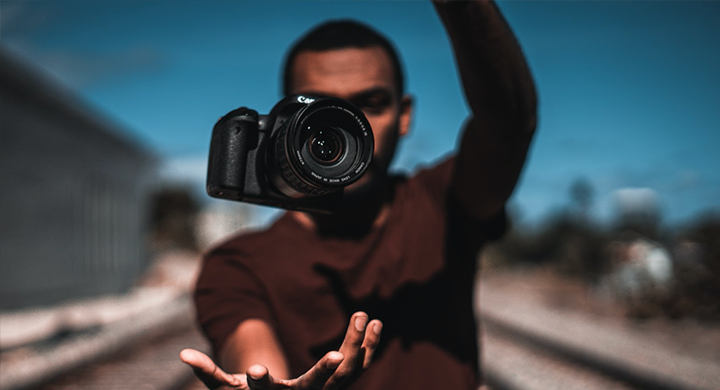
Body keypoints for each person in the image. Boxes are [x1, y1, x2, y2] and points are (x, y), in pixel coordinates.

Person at [180, 0, 537, 389]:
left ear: (404, 116)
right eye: (321, 109)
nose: (346, 131)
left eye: (370, 104)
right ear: (285, 122)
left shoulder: (443, 203)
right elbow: (255, 360)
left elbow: (509, 123)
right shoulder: (238, 263)